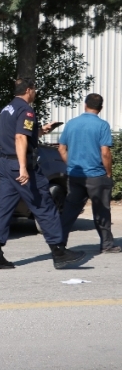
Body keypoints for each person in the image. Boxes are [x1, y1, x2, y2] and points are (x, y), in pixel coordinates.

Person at [0, 77, 86, 270]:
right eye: (35, 90)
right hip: (20, 165)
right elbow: (20, 137)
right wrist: (23, 167)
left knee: (4, 208)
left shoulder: (7, 109)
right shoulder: (26, 110)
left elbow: (19, 134)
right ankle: (59, 251)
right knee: (45, 206)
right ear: (29, 90)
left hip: (5, 164)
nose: (36, 93)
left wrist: (41, 131)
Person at [58, 93, 119, 253]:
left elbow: (61, 148)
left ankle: (59, 243)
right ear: (101, 108)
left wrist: (70, 165)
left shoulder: (71, 124)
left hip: (75, 175)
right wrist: (108, 173)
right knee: (102, 211)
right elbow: (105, 152)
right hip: (96, 175)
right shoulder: (102, 125)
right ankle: (107, 245)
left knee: (70, 211)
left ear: (85, 105)